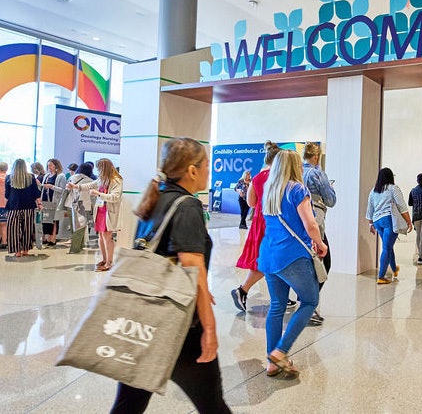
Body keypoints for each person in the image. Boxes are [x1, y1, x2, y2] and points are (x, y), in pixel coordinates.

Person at [111, 137, 231, 413]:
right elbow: (192, 268)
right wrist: (209, 328)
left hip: (144, 321)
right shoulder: (187, 205)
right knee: (213, 405)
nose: (209, 171)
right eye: (206, 165)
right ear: (192, 170)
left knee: (128, 405)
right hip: (180, 326)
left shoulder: (156, 198)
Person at [258, 150, 327, 377]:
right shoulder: (297, 189)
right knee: (310, 300)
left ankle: (271, 362)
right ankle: (280, 351)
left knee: (277, 305)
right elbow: (311, 224)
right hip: (292, 255)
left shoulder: (269, 190)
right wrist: (320, 244)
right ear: (295, 166)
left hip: (269, 254)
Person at [231, 141, 284, 312]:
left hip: (260, 221)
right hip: (274, 222)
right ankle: (243, 290)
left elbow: (251, 203)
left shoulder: (258, 178)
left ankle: (280, 295)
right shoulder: (279, 177)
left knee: (272, 259)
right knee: (268, 259)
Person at [301, 142, 336, 325]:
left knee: (305, 263)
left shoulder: (296, 172)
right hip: (315, 221)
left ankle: (305, 303)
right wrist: (329, 187)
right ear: (316, 157)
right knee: (322, 264)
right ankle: (308, 306)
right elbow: (331, 200)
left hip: (298, 223)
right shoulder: (317, 173)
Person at [68, 158, 122, 271]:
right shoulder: (102, 179)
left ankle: (109, 262)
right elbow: (89, 185)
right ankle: (104, 259)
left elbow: (115, 197)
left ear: (105, 168)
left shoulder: (116, 180)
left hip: (109, 211)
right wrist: (76, 186)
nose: (98, 171)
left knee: (107, 237)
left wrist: (98, 194)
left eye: (100, 168)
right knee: (101, 236)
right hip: (100, 210)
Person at [366, 167, 413, 284]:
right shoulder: (393, 188)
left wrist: (370, 223)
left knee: (388, 246)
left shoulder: (373, 191)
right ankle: (381, 277)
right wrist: (409, 221)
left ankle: (394, 269)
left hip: (377, 221)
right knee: (386, 248)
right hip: (388, 220)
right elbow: (402, 206)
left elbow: (370, 209)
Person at [5, 159, 41, 257]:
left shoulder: (9, 178)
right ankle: (25, 249)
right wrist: (39, 203)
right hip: (28, 206)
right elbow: (36, 193)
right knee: (27, 228)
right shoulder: (31, 177)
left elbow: (7, 195)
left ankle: (17, 251)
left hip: (13, 206)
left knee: (13, 229)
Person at [66, 163, 95, 254]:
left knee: (74, 227)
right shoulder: (90, 180)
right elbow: (92, 196)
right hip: (82, 206)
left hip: (70, 204)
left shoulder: (72, 178)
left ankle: (79, 246)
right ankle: (75, 249)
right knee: (80, 228)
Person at [39, 158, 67, 247]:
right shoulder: (46, 175)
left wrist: (52, 187)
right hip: (45, 200)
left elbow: (63, 190)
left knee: (54, 220)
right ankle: (45, 238)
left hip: (55, 201)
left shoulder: (61, 176)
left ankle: (53, 239)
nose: (49, 167)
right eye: (48, 165)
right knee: (45, 220)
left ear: (56, 166)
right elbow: (43, 187)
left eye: (51, 165)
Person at [0, 162, 7, 249]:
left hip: (1, 203)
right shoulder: (9, 178)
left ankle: (3, 241)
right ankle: (4, 240)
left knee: (2, 224)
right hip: (7, 203)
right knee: (4, 224)